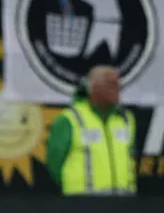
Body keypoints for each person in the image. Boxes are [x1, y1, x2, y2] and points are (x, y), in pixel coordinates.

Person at [46, 65, 136, 196]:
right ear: (93, 88)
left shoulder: (126, 119)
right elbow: (54, 164)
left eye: (118, 85)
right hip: (83, 204)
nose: (117, 89)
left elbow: (131, 158)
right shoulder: (69, 119)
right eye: (111, 84)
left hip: (123, 202)